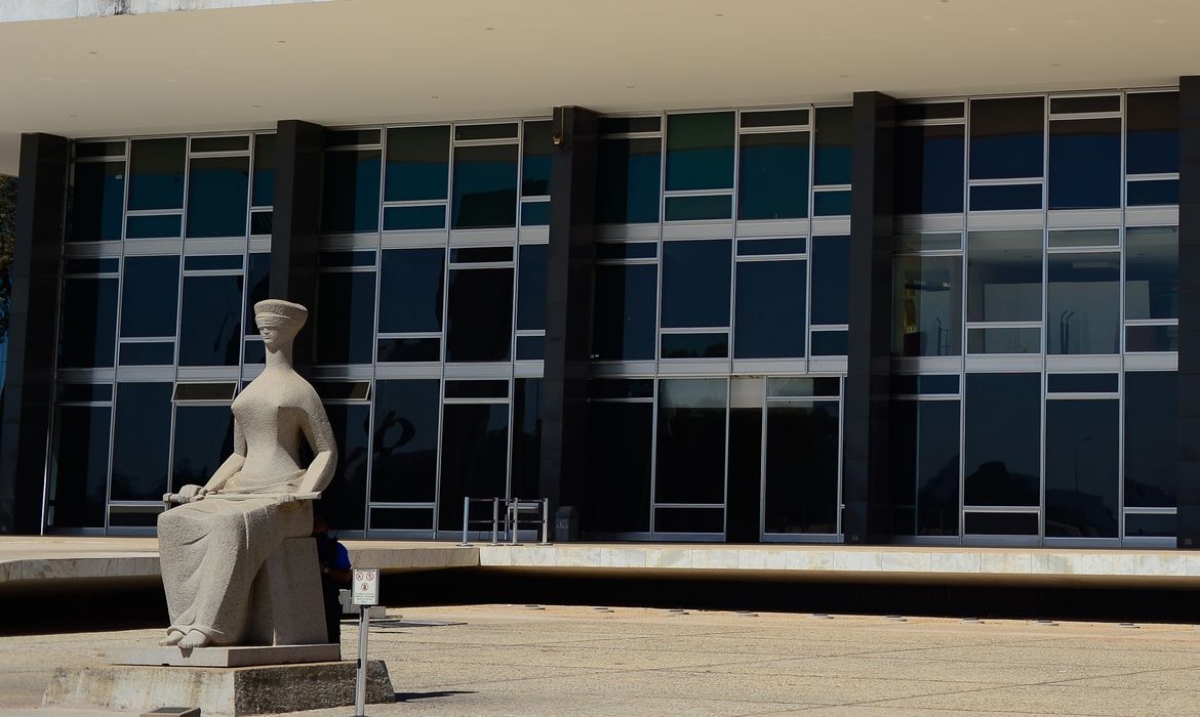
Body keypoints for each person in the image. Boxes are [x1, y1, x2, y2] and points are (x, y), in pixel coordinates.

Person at [157, 299, 337, 649]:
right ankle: (183, 622)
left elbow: (327, 450)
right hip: (239, 490)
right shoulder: (250, 390)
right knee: (173, 523)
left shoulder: (301, 391)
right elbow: (239, 454)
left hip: (283, 496)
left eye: (275, 324)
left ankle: (212, 627)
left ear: (291, 331)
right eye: (262, 324)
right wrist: (206, 490)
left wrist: (305, 492)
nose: (267, 329)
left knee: (229, 525)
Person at [313, 510, 352, 644]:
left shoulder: (335, 548)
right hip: (305, 601)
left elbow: (346, 576)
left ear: (326, 527)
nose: (315, 528)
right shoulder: (299, 545)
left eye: (318, 525)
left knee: (331, 639)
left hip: (328, 601)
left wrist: (325, 569)